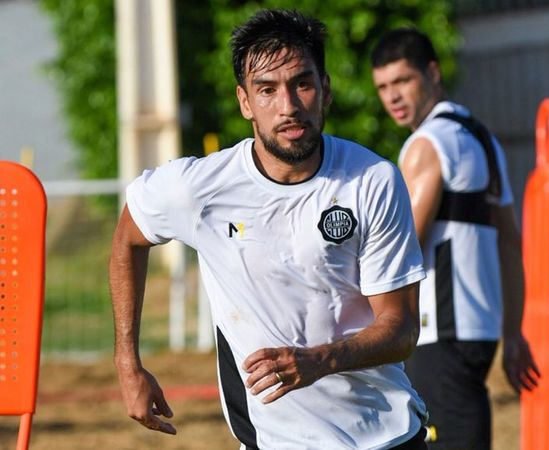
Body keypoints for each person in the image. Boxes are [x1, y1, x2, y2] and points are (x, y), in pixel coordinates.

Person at [110, 10, 430, 450]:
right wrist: (128, 364)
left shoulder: (372, 179)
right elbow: (129, 236)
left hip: (384, 437)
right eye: (267, 90)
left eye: (302, 83)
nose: (289, 106)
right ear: (245, 102)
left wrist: (320, 360)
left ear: (325, 89)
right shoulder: (200, 189)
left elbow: (401, 328)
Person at [371, 28, 541, 450]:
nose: (392, 96)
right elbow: (510, 241)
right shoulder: (481, 136)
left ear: (432, 72)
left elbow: (399, 248)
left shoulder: (426, 143)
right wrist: (514, 332)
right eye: (383, 87)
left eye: (402, 81)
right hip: (480, 332)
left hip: (437, 332)